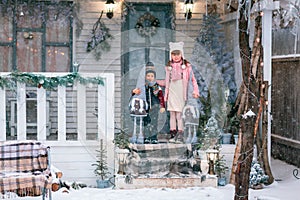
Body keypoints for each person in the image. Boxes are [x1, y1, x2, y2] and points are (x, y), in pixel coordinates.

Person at [164, 42, 200, 143]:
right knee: (172, 114)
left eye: (177, 54)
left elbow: (193, 80)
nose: (175, 57)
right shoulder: (168, 67)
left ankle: (180, 134)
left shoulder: (187, 66)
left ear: (181, 54)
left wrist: (195, 91)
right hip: (172, 90)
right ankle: (173, 133)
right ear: (171, 55)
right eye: (173, 54)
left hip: (181, 90)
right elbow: (167, 81)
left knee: (179, 114)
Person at [132, 62, 165, 144]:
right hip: (145, 107)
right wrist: (133, 92)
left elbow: (160, 96)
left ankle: (153, 137)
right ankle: (146, 137)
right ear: (145, 77)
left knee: (154, 122)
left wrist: (162, 106)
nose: (150, 78)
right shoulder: (143, 86)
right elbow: (136, 94)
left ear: (154, 77)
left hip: (154, 106)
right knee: (146, 122)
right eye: (148, 76)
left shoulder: (155, 86)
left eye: (152, 76)